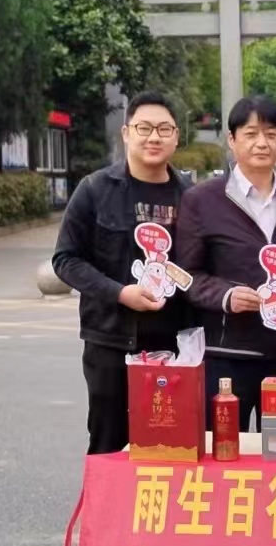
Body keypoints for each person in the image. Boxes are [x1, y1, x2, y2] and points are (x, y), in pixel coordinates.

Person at [52, 92, 193, 454]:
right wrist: (119, 292)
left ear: (176, 137)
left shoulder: (192, 198)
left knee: (170, 449)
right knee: (108, 446)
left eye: (164, 129)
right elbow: (66, 259)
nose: (154, 137)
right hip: (111, 344)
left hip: (174, 346)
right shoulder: (95, 189)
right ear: (127, 133)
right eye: (144, 128)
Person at [177, 96, 276, 431]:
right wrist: (226, 296)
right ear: (232, 139)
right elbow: (186, 275)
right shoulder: (202, 200)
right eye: (251, 133)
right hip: (227, 359)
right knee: (226, 453)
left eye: (271, 134)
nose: (262, 143)